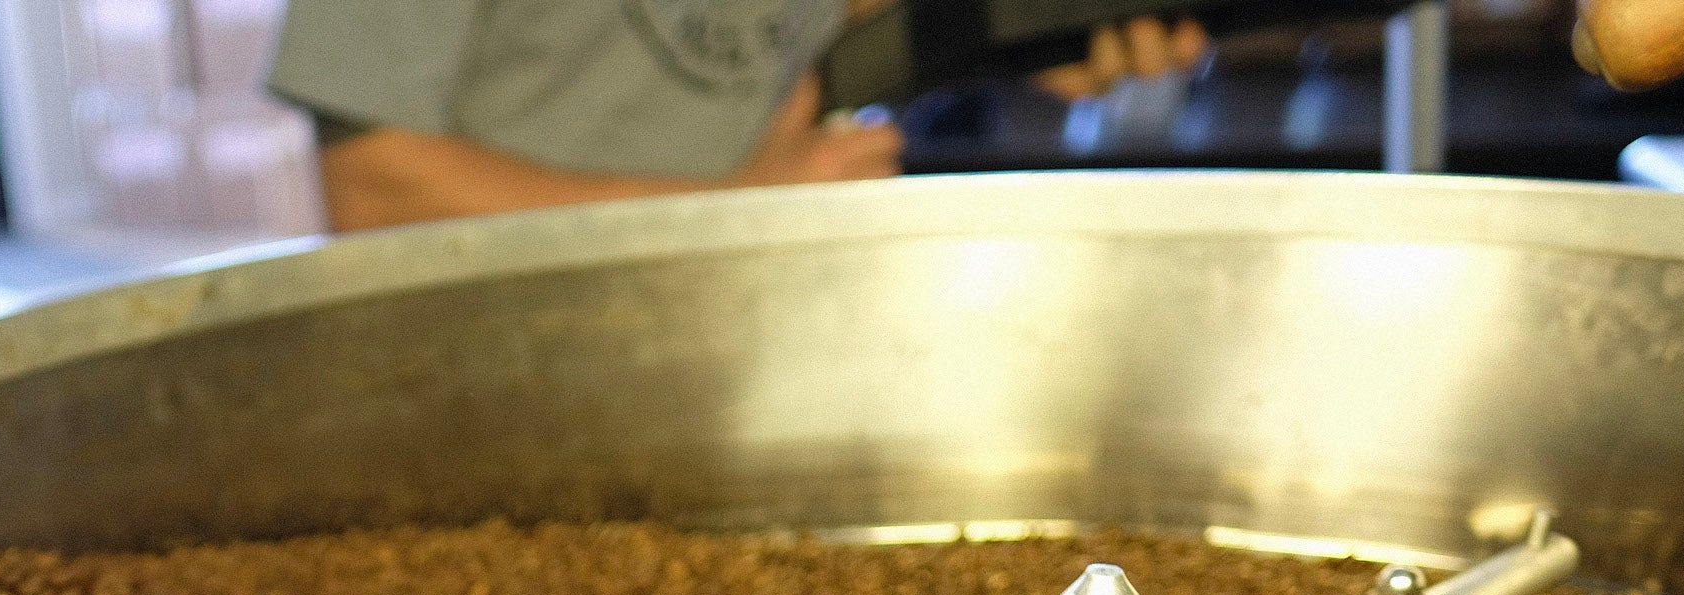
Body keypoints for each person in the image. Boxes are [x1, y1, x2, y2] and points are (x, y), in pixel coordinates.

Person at [269, 1, 1209, 232]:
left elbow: (831, 34)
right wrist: (730, 209)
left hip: (743, 389)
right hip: (489, 430)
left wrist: (1026, 31)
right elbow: (375, 185)